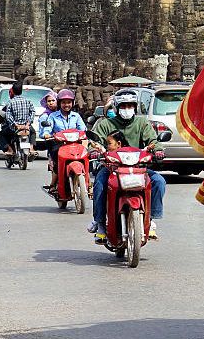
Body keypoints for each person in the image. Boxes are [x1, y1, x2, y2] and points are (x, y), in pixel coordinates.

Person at [89, 92, 166, 242]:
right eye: (124, 106)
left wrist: (158, 150)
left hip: (138, 167)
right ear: (117, 108)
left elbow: (153, 140)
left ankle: (150, 220)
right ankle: (100, 223)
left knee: (159, 181)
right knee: (100, 185)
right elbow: (94, 142)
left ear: (135, 107)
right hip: (112, 167)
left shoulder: (142, 123)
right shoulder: (106, 124)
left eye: (130, 106)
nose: (127, 109)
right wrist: (93, 151)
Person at [39, 89, 86, 192]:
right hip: (59, 145)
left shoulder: (76, 116)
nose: (66, 105)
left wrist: (85, 134)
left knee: (87, 156)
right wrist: (46, 134)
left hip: (75, 144)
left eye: (68, 102)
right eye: (63, 102)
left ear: (72, 103)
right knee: (57, 159)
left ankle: (88, 184)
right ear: (59, 103)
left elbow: (83, 128)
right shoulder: (52, 116)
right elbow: (47, 128)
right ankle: (55, 182)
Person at [0, 81, 35, 156]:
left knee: (1, 135)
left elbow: (8, 115)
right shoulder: (28, 101)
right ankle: (31, 148)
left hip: (14, 128)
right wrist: (28, 124)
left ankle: (10, 150)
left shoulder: (10, 102)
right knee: (33, 132)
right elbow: (32, 112)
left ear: (12, 91)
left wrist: (15, 124)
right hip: (26, 127)